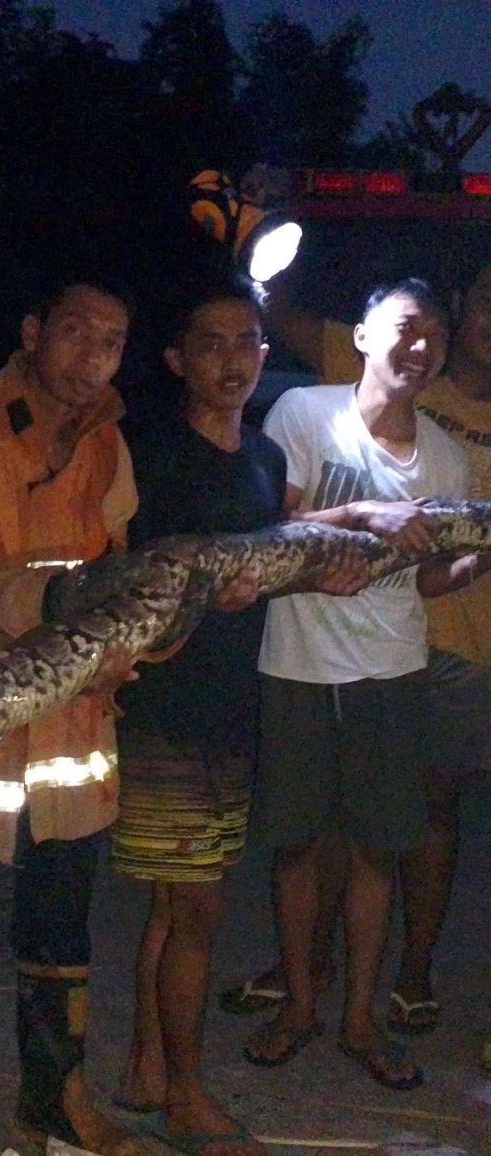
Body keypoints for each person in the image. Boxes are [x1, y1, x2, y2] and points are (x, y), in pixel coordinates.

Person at [221, 261, 491, 1044]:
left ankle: (360, 1019)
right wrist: (366, 513)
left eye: (434, 336)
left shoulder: (443, 456)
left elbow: (433, 577)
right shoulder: (303, 412)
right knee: (299, 846)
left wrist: (478, 557)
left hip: (393, 668)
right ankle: (301, 1004)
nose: (423, 346)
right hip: (298, 665)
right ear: (365, 336)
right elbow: (269, 532)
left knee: (378, 848)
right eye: (409, 328)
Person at [111, 280, 286, 1155]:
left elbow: (279, 561)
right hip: (161, 716)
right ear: (177, 360)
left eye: (247, 342)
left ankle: (146, 1069)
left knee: (172, 909)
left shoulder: (265, 459)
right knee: (197, 914)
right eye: (210, 344)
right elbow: (130, 584)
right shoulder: (148, 457)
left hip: (231, 711)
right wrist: (205, 593)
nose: (232, 360)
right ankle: (184, 1094)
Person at [0, 281, 142, 1154]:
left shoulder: (108, 439)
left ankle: (55, 1103)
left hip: (74, 726)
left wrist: (130, 646)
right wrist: (62, 601)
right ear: (31, 330)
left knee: (61, 926)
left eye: (111, 340)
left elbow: (117, 562)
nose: (91, 353)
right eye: (75, 330)